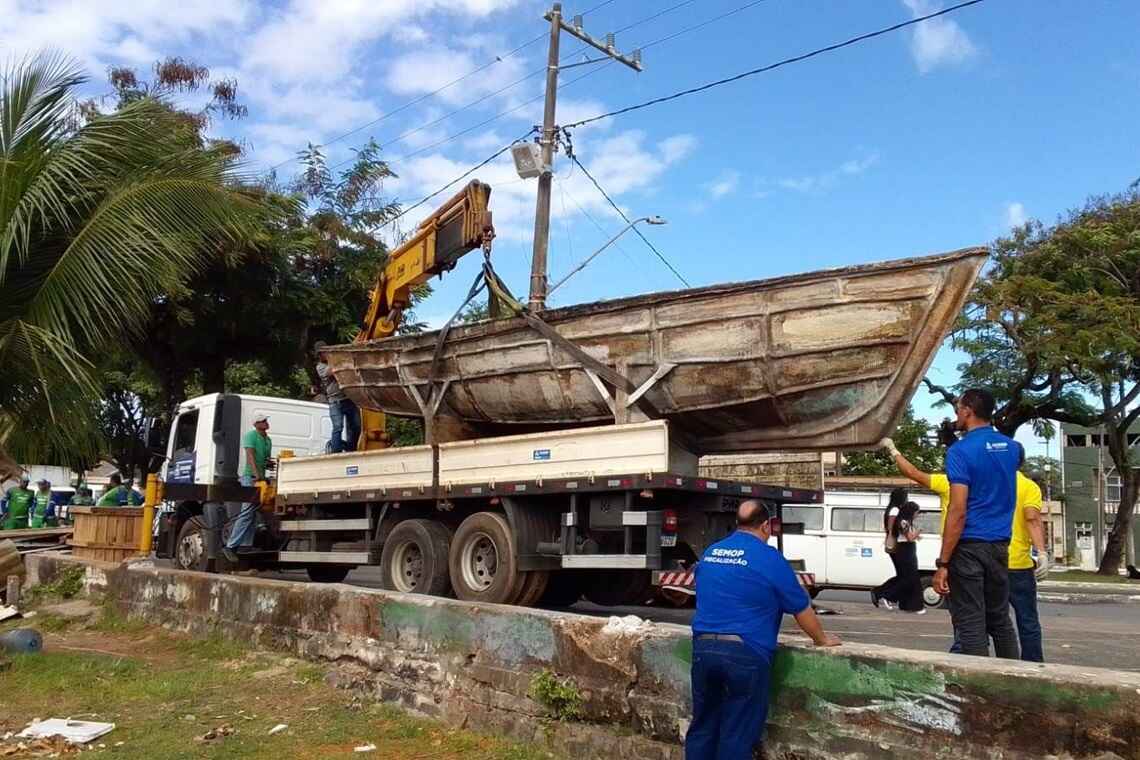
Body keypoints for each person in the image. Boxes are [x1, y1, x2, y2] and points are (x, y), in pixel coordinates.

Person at [686, 500, 840, 759]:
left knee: (703, 727)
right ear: (766, 526)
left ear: (738, 523)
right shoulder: (770, 559)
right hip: (745, 653)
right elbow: (801, 609)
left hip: (703, 648)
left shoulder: (712, 552)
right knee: (737, 733)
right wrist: (822, 639)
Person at [883, 437, 1051, 659]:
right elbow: (1032, 519)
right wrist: (1041, 552)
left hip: (972, 558)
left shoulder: (960, 482)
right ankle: (1029, 668)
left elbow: (916, 475)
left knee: (969, 618)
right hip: (1013, 560)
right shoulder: (1026, 486)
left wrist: (893, 449)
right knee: (1016, 621)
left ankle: (968, 661)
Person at [931, 388, 1022, 659]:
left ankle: (978, 687)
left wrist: (943, 564)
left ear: (968, 410)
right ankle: (1013, 679)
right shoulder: (1014, 448)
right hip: (1000, 545)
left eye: (958, 409)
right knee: (1000, 619)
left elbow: (958, 510)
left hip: (970, 546)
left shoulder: (960, 452)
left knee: (970, 622)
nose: (956, 415)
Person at [223, 413, 272, 563]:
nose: (266, 423)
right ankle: (231, 546)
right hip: (250, 477)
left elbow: (265, 460)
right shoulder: (250, 436)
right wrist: (257, 475)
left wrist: (270, 465)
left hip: (260, 478)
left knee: (253, 512)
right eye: (263, 421)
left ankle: (246, 545)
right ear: (256, 424)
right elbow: (250, 456)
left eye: (266, 420)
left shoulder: (267, 440)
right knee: (247, 512)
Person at [873, 496, 925, 614]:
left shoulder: (906, 522)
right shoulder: (903, 521)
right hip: (905, 550)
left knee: (908, 578)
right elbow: (909, 537)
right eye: (916, 513)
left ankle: (909, 604)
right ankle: (887, 594)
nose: (917, 515)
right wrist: (919, 531)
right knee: (909, 578)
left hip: (907, 548)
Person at [314, 341, 360, 453]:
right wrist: (338, 358)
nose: (326, 354)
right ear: (320, 355)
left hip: (348, 399)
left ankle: (351, 448)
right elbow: (331, 371)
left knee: (356, 426)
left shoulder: (335, 362)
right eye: (323, 353)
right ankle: (336, 451)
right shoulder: (320, 367)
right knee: (338, 427)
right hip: (335, 401)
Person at [870, 488, 909, 610]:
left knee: (903, 575)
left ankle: (885, 594)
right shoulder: (895, 510)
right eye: (906, 497)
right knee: (904, 575)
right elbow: (893, 527)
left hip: (898, 544)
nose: (907, 499)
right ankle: (882, 593)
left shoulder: (894, 509)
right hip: (897, 545)